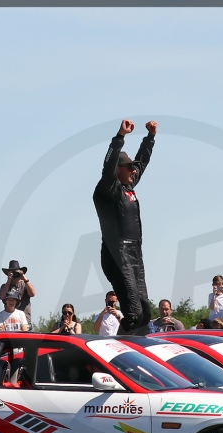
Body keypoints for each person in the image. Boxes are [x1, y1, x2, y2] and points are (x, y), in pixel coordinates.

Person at [93, 118, 157, 334]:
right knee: (133, 314)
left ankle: (138, 354)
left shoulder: (129, 185)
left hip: (134, 254)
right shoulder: (107, 190)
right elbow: (108, 165)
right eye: (129, 167)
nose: (133, 171)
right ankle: (116, 354)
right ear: (118, 170)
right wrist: (120, 137)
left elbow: (142, 162)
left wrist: (150, 138)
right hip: (116, 254)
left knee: (145, 313)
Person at [0, 261, 36, 328]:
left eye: (16, 273)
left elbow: (32, 293)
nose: (15, 275)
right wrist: (9, 281)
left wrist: (24, 278)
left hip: (25, 322)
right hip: (8, 323)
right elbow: (1, 296)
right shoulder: (5, 286)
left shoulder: (24, 285)